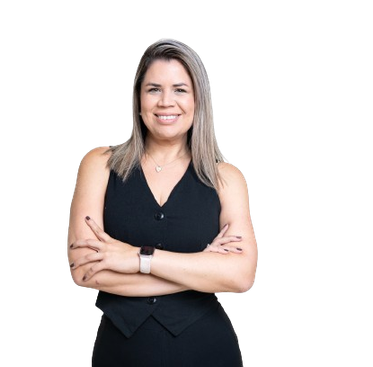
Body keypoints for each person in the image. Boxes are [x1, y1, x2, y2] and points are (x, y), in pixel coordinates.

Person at [67, 38, 258, 367]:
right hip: (121, 355)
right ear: (137, 99)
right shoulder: (98, 164)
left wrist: (136, 259)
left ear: (198, 99)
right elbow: (84, 271)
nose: (166, 102)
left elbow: (241, 277)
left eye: (180, 90)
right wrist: (199, 267)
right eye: (153, 89)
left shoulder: (226, 178)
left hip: (208, 352)